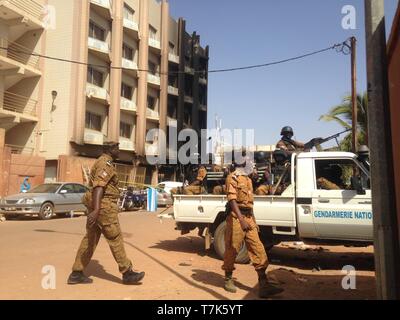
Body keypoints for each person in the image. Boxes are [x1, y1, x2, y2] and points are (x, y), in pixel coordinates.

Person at [67, 141, 145, 285]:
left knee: (90, 240)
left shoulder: (103, 162)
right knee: (115, 238)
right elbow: (98, 188)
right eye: (117, 148)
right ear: (110, 149)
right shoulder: (105, 164)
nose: (119, 151)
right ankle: (127, 272)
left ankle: (76, 273)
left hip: (99, 207)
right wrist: (97, 210)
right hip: (103, 207)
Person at [222, 155, 284, 298]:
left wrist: (252, 220)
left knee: (258, 248)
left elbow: (250, 203)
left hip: (249, 218)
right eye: (248, 161)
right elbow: (232, 200)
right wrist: (241, 219)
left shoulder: (249, 179)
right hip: (237, 218)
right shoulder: (233, 177)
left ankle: (263, 285)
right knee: (232, 248)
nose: (251, 163)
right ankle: (228, 278)